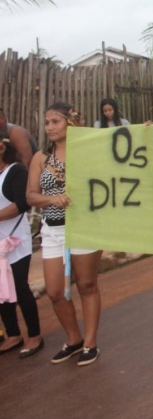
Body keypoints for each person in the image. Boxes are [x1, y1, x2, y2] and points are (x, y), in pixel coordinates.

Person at [26, 102, 102, 366]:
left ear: (69, 122)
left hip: (84, 226)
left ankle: (91, 342)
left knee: (86, 284)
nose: (50, 128)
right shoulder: (40, 158)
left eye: (55, 122)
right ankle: (73, 339)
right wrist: (51, 200)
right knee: (56, 291)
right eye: (47, 123)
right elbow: (31, 195)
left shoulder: (87, 151)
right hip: (53, 230)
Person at [0, 139, 41, 358]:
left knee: (19, 286)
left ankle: (34, 335)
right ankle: (13, 334)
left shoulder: (16, 172)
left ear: (2, 147)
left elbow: (20, 204)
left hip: (15, 240)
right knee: (1, 290)